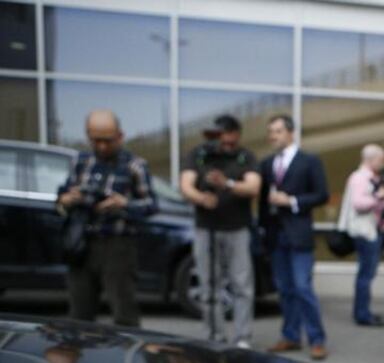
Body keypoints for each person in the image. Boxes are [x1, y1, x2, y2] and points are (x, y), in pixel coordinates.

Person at [56, 110, 157, 327]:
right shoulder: (79, 162)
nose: (102, 146)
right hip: (81, 243)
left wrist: (124, 204)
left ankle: (126, 359)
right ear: (88, 136)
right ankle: (81, 356)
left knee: (124, 313)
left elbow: (151, 205)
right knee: (79, 314)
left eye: (107, 141)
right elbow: (60, 200)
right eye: (96, 140)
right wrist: (67, 200)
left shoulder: (135, 165)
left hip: (117, 245)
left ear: (120, 136)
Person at [180, 115, 262, 348]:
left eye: (228, 135)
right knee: (209, 285)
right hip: (206, 229)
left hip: (237, 229)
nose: (224, 141)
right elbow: (186, 185)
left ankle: (242, 338)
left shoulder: (245, 156)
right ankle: (214, 336)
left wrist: (227, 183)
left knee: (242, 285)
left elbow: (253, 186)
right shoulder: (199, 154)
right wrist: (202, 198)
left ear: (236, 134)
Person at [259, 115, 330, 361]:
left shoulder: (309, 161)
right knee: (285, 289)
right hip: (275, 235)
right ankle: (290, 336)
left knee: (302, 287)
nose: (273, 136)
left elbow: (322, 195)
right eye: (270, 132)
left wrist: (292, 201)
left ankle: (317, 339)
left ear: (291, 133)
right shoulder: (267, 164)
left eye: (277, 131)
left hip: (299, 235)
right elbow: (262, 202)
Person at [340, 144, 384, 327]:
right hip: (364, 231)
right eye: (381, 160)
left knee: (367, 273)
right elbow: (359, 203)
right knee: (366, 274)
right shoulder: (360, 178)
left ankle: (364, 311)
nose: (383, 164)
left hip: (371, 229)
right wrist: (380, 197)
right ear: (371, 159)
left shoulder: (371, 178)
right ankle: (362, 313)